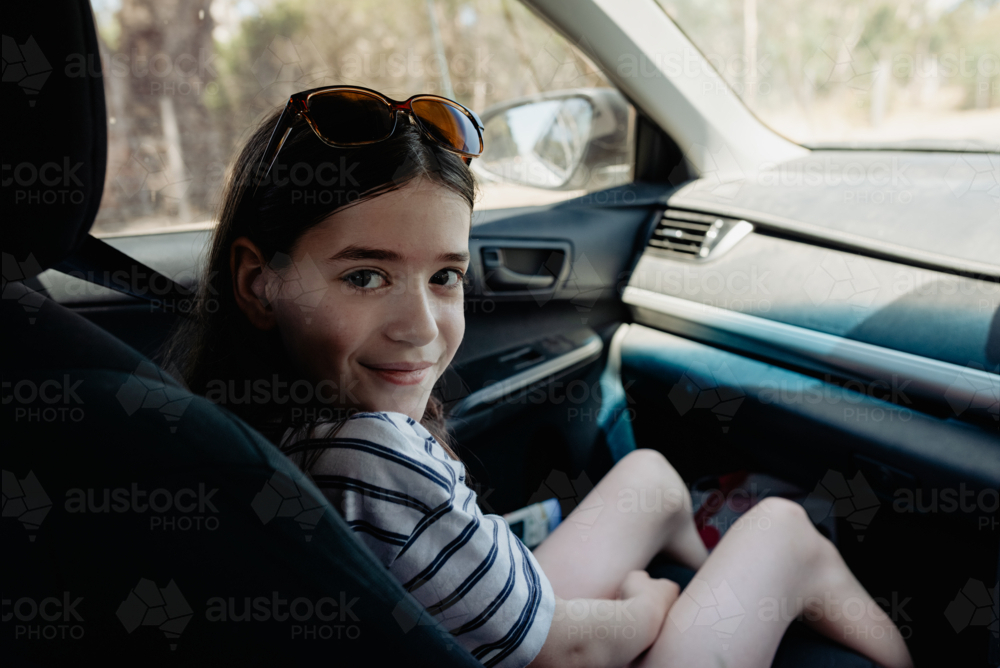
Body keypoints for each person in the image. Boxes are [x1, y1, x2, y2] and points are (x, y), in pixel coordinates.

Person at [166, 86, 914, 668]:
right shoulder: (369, 454)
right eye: (365, 276)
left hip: (467, 633)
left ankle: (724, 591)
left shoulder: (248, 425)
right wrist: (652, 601)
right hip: (558, 650)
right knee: (783, 531)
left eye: (444, 277)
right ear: (259, 283)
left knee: (651, 478)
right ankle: (744, 598)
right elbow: (571, 651)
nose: (421, 327)